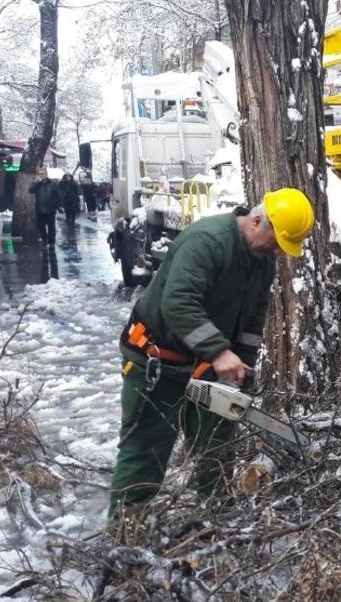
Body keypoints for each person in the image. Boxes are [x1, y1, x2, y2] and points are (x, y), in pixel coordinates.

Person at [108, 188, 314, 521]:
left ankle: (212, 524)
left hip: (203, 361)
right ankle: (124, 537)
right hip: (158, 359)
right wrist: (219, 352)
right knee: (146, 453)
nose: (277, 249)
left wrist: (241, 363)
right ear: (258, 220)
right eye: (276, 240)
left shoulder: (262, 262)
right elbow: (178, 303)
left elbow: (253, 318)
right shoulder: (207, 241)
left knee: (216, 446)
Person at [28, 167, 61, 246]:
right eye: (39, 174)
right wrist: (37, 182)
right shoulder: (37, 183)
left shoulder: (53, 183)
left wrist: (60, 205)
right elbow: (30, 190)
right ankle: (44, 239)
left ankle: (52, 242)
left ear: (46, 174)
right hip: (40, 209)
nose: (41, 176)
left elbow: (59, 195)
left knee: (51, 227)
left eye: (42, 174)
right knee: (41, 227)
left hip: (50, 208)